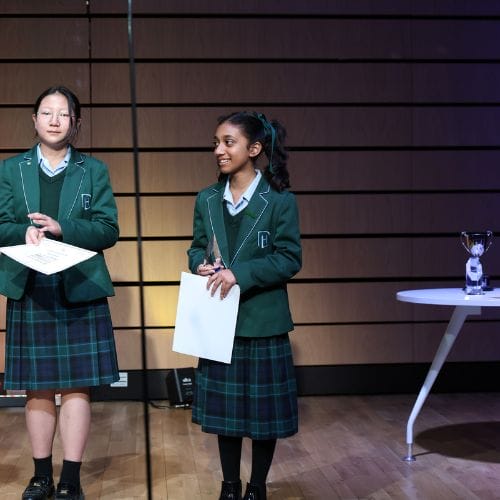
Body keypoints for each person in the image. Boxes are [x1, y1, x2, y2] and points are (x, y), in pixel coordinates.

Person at [0, 86, 120, 500]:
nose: (54, 120)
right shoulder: (10, 169)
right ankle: (40, 477)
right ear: (33, 120)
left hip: (79, 286)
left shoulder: (94, 170)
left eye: (63, 114)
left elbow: (108, 229)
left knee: (77, 387)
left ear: (76, 123)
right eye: (46, 112)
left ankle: (70, 478)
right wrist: (24, 231)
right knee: (36, 387)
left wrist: (62, 227)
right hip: (30, 285)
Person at [188, 111, 302, 500]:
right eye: (216, 143)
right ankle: (229, 486)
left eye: (228, 142)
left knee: (264, 416)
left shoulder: (280, 200)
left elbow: (289, 258)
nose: (218, 150)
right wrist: (199, 264)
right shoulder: (206, 199)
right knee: (226, 414)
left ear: (254, 149)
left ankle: (257, 487)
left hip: (263, 321)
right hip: (219, 319)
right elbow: (196, 247)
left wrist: (241, 274)